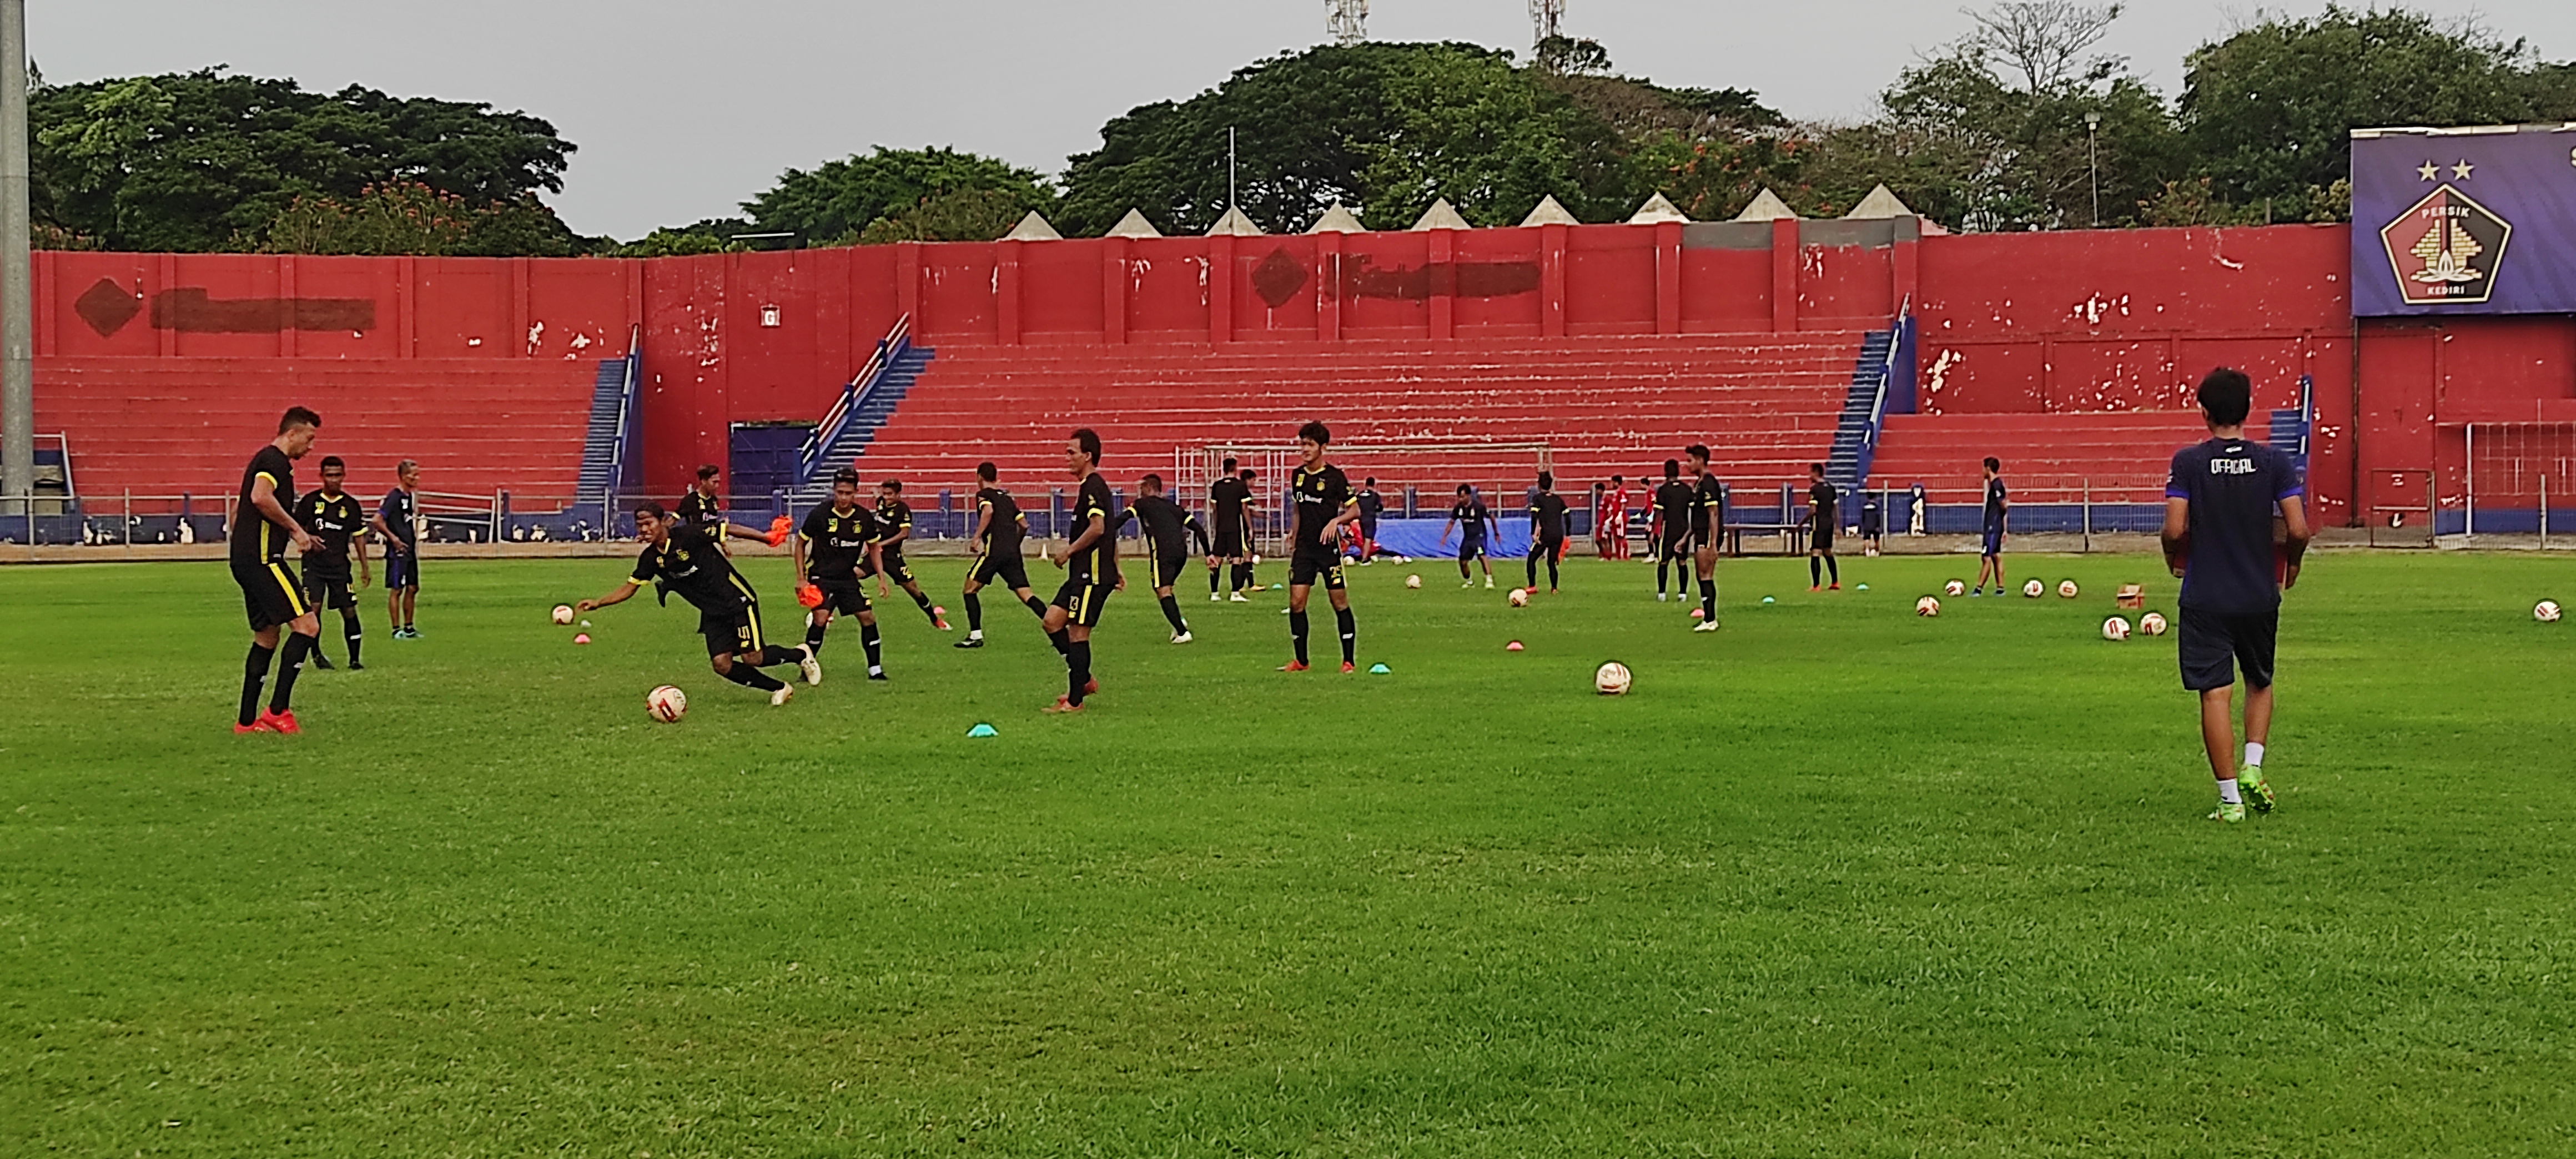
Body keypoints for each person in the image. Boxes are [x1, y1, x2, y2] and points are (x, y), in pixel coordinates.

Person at [2162, 367, 2310, 824]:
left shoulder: (2188, 462)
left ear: (2203, 412)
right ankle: (2253, 766)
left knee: (2215, 694)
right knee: (2260, 681)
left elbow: (2175, 527)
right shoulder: (2273, 463)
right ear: (2248, 409)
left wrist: (2172, 557)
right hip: (2257, 594)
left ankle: (2230, 801)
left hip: (2206, 594)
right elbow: (2299, 528)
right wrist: (2294, 562)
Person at [576, 501, 815, 705]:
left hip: (738, 600)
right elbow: (630, 587)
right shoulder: (651, 559)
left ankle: (800, 655)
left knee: (753, 657)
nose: (645, 529)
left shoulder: (689, 535)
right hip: (712, 611)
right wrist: (599, 602)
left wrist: (766, 538)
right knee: (722, 664)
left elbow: (727, 528)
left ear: (662, 522)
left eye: (649, 523)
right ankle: (779, 688)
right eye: (640, 525)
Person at [231, 407, 325, 733]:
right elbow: (259, 497)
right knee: (308, 627)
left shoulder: (265, 460)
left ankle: (246, 722)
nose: (311, 447)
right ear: (292, 433)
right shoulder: (274, 461)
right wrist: (296, 530)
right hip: (263, 561)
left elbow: (243, 506)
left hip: (245, 561)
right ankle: (278, 711)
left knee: (267, 635)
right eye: (309, 439)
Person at [1039, 429, 1116, 712]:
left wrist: (1069, 550)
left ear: (1088, 456)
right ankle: (1082, 679)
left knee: (1078, 633)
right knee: (1051, 621)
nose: (1067, 458)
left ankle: (1075, 701)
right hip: (1082, 573)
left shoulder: (1094, 486)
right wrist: (1118, 568)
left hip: (1091, 574)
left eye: (1072, 452)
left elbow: (1099, 528)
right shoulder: (1088, 487)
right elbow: (1110, 533)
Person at [793, 469, 888, 681]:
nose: (843, 498)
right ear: (834, 491)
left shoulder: (863, 518)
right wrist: (801, 577)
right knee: (820, 618)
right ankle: (806, 669)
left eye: (848, 493)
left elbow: (874, 547)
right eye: (839, 492)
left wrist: (881, 578)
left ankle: (875, 669)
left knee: (867, 617)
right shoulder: (820, 514)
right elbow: (800, 544)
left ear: (856, 492)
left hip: (847, 578)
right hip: (821, 576)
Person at [1281, 421, 1360, 673]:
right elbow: (1297, 507)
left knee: (1339, 602)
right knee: (1296, 603)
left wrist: (1336, 521)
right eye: (1302, 444)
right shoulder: (1298, 475)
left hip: (1328, 551)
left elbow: (1355, 509)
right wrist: (1293, 535)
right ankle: (1301, 661)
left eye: (1310, 445)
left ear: (1322, 447)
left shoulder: (1335, 477)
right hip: (1304, 549)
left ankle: (1348, 661)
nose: (1304, 449)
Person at [957, 461, 1050, 649]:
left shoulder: (983, 495)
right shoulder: (1007, 499)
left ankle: (975, 636)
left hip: (994, 551)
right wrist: (1015, 544)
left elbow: (988, 511)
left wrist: (976, 538)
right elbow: (1024, 525)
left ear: (979, 477)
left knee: (969, 589)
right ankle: (1057, 626)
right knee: (1026, 594)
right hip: (1012, 553)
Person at [291, 455, 371, 671]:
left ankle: (355, 659)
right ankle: (317, 655)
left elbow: (358, 536)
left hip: (340, 567)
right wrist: (308, 537)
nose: (334, 480)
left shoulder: (350, 505)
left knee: (349, 610)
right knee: (313, 610)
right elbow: (293, 528)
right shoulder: (310, 502)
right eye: (329, 475)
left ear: (344, 476)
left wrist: (365, 566)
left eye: (337, 475)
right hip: (314, 566)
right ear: (322, 476)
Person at [1118, 473, 1211, 643]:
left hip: (1163, 552)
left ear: (1150, 488)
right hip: (1181, 553)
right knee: (1164, 588)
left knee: (1163, 590)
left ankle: (1183, 633)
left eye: (1142, 487)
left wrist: (1103, 531)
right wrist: (1208, 554)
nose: (1140, 491)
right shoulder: (1174, 507)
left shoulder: (1142, 504)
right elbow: (1199, 529)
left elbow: (1123, 519)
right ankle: (1177, 621)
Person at [865, 478, 950, 630]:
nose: (887, 497)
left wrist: (881, 544)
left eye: (890, 494)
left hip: (893, 557)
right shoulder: (880, 502)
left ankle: (935, 619)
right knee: (849, 576)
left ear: (898, 494)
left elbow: (904, 534)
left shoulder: (902, 510)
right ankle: (827, 614)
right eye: (884, 493)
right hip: (875, 555)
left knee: (913, 590)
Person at [370, 460, 422, 639]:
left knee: (413, 587)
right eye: (413, 475)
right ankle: (396, 629)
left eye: (417, 474)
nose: (417, 478)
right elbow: (377, 520)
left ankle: (409, 627)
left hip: (409, 550)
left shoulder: (408, 497)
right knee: (397, 589)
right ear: (403, 476)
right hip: (398, 551)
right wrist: (394, 539)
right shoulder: (394, 497)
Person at [1208, 458, 1256, 601]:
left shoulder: (1217, 486)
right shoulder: (1240, 486)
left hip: (1221, 527)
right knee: (1237, 559)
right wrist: (1250, 528)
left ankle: (1214, 593)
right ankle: (1235, 593)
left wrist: (1217, 525)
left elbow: (1215, 509)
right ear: (1235, 468)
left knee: (1216, 560)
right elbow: (1245, 508)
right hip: (1236, 527)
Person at [1688, 445, 1724, 631]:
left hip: (1707, 536)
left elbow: (1713, 513)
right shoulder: (1700, 483)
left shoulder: (1709, 482)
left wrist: (1713, 543)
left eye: (1690, 460)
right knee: (1701, 576)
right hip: (1700, 533)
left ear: (1700, 460)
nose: (1688, 465)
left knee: (1706, 575)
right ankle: (1708, 617)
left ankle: (1711, 619)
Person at [1649, 460, 1692, 601]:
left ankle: (1662, 593)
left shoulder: (1663, 490)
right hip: (1683, 529)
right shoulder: (1686, 489)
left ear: (1666, 472)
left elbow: (1658, 513)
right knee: (1682, 562)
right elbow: (1693, 509)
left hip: (1668, 530)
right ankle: (1683, 594)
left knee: (1663, 562)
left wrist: (1653, 530)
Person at [1438, 484, 1496, 588]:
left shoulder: (1478, 506)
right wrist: (1445, 536)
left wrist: (1496, 532)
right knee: (1463, 562)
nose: (1461, 499)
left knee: (1481, 555)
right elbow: (1452, 522)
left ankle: (1489, 579)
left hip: (1479, 535)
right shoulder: (1458, 508)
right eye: (1459, 497)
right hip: (1468, 538)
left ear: (1469, 496)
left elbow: (1491, 516)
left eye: (1463, 497)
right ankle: (1469, 582)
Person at [1527, 471, 1568, 593]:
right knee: (1551, 562)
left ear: (1539, 485)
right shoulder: (1558, 499)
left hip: (1545, 535)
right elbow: (1567, 515)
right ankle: (1554, 588)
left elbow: (1534, 516)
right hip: (1558, 535)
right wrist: (1568, 534)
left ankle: (1532, 586)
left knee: (1531, 559)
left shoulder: (1537, 499)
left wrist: (1533, 533)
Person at [1972, 457, 2008, 596]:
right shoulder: (1994, 485)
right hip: (1995, 525)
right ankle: (2000, 589)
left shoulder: (1996, 484)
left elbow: (2004, 504)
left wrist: (1999, 524)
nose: (1982, 471)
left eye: (1983, 468)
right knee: (1995, 555)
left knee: (1986, 557)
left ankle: (1978, 589)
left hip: (1993, 526)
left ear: (1988, 469)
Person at [1807, 462, 1841, 592]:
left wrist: (1800, 524)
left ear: (1815, 473)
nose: (1809, 476)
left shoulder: (1814, 489)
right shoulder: (1831, 488)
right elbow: (1836, 508)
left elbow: (1813, 511)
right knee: (1827, 552)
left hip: (1819, 524)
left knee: (1815, 552)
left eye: (1810, 473)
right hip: (1830, 524)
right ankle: (1835, 582)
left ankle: (1816, 585)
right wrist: (1838, 527)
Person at [1354, 476, 1386, 563]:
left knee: (1364, 539)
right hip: (1370, 518)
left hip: (1361, 518)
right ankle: (1364, 559)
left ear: (1365, 484)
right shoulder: (1375, 496)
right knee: (1368, 538)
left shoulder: (1359, 495)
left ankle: (1365, 556)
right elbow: (1380, 507)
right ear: (1374, 484)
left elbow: (1354, 505)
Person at [1599, 475, 1632, 560]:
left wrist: (1620, 514)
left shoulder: (1622, 492)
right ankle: (1618, 556)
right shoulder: (1616, 493)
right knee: (1616, 537)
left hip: (1620, 518)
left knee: (1621, 536)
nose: (1611, 484)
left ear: (1617, 482)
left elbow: (1623, 503)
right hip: (1615, 517)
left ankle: (1625, 555)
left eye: (1613, 482)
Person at [1860, 490, 1884, 557]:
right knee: (1877, 538)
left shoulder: (1864, 507)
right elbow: (1878, 516)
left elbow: (1863, 516)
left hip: (1867, 525)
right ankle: (1877, 551)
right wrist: (1878, 525)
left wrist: (1864, 524)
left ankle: (1867, 551)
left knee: (1867, 538)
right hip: (1875, 525)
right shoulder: (1876, 507)